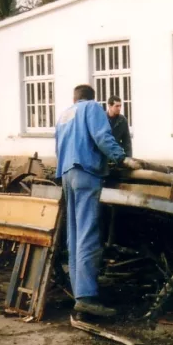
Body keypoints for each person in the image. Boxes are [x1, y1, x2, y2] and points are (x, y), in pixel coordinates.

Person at [56, 84, 142, 317]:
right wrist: (122, 158)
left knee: (74, 235)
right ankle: (86, 297)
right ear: (92, 98)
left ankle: (79, 292)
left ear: (75, 98)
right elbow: (102, 137)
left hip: (66, 174)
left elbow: (59, 147)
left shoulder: (64, 114)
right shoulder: (92, 108)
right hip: (86, 173)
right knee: (88, 235)